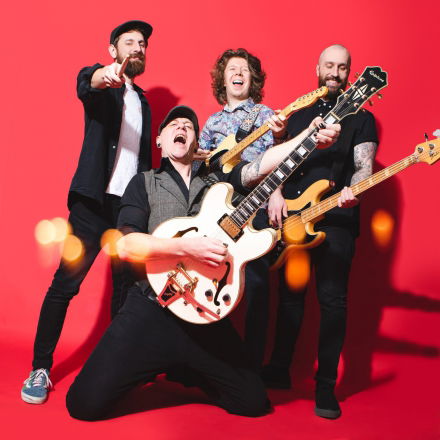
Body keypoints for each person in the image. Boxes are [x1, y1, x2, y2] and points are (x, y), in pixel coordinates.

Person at [65, 105, 340, 420]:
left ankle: (186, 367)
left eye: (189, 125)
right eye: (174, 124)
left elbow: (262, 165)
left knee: (253, 403)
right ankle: (155, 363)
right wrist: (185, 248)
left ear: (196, 141)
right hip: (152, 309)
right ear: (159, 140)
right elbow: (126, 245)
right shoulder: (143, 183)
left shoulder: (217, 181)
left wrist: (309, 135)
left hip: (205, 316)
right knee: (83, 404)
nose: (181, 127)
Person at [21, 20, 153, 404]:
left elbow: (144, 161)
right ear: (113, 50)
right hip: (93, 204)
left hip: (128, 210)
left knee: (126, 292)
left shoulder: (143, 102)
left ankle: (114, 371)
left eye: (142, 44)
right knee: (65, 285)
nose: (138, 47)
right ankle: (40, 368)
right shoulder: (103, 84)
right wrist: (104, 75)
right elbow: (87, 83)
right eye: (129, 42)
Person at [261, 44, 379, 419]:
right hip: (294, 217)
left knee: (332, 302)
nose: (335, 72)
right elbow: (278, 159)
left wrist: (355, 190)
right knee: (289, 298)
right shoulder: (299, 115)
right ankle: (278, 370)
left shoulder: (362, 118)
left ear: (350, 73)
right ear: (317, 68)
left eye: (342, 67)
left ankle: (325, 386)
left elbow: (364, 166)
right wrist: (275, 194)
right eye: (329, 65)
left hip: (336, 218)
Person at [198, 48, 287, 368]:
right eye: (232, 69)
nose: (238, 73)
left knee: (257, 286)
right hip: (219, 211)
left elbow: (280, 155)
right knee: (211, 280)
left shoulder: (265, 114)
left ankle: (252, 367)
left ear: (253, 80)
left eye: (245, 70)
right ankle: (211, 363)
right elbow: (203, 168)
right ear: (222, 80)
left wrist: (277, 193)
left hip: (257, 205)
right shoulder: (212, 122)